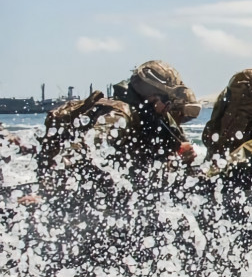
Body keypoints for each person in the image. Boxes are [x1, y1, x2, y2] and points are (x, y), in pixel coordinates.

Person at [38, 60, 199, 186]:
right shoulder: (119, 116)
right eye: (168, 102)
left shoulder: (158, 118)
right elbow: (79, 152)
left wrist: (181, 159)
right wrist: (48, 190)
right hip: (85, 187)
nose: (170, 109)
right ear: (152, 97)